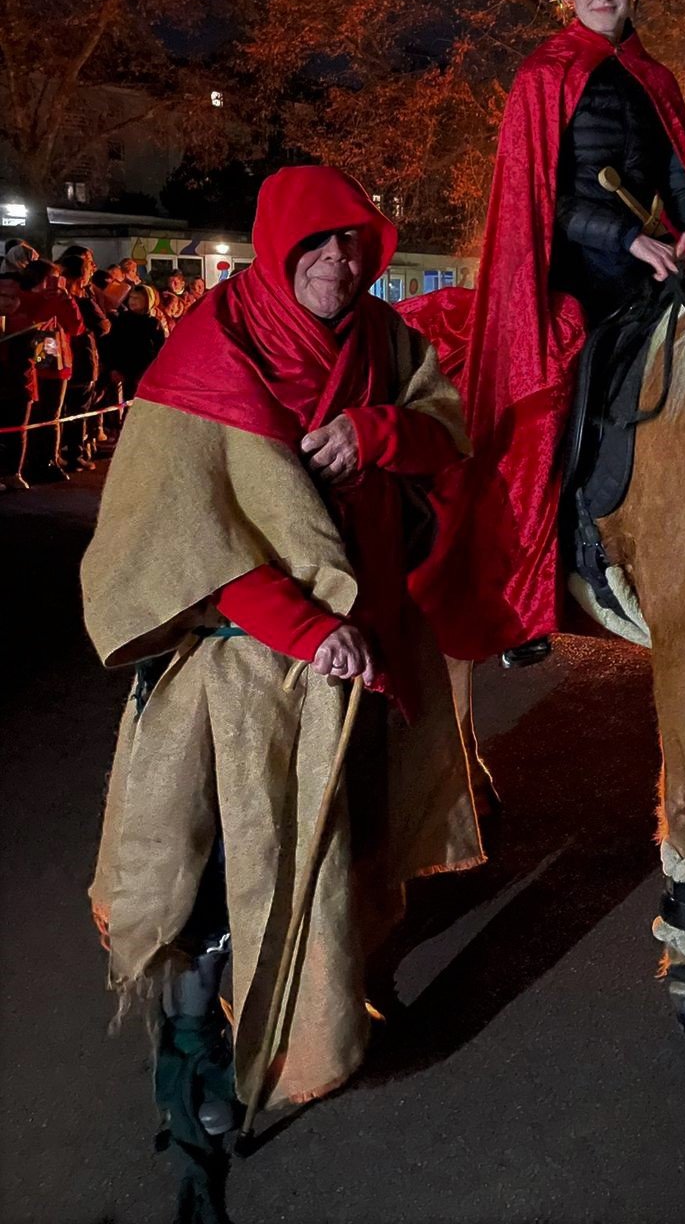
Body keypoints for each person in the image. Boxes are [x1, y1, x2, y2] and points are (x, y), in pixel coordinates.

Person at [83, 167, 482, 1165]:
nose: (338, 262)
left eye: (353, 244)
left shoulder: (386, 340)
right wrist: (302, 626)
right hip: (247, 669)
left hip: (364, 648)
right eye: (318, 243)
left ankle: (326, 1002)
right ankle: (194, 1059)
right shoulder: (208, 349)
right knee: (223, 872)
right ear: (279, 246)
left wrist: (378, 430)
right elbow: (180, 541)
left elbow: (446, 431)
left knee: (342, 844)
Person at [406, 0, 685, 666]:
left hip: (654, 273)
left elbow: (678, 174)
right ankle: (542, 579)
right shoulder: (541, 76)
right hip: (570, 283)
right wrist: (626, 236)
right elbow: (536, 201)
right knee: (550, 409)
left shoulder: (656, 78)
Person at [18, 257, 83, 482]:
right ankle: (32, 461)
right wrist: (46, 299)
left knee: (52, 414)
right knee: (34, 414)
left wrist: (67, 299)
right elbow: (33, 321)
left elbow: (77, 327)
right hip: (33, 359)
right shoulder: (23, 298)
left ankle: (49, 458)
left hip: (57, 361)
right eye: (52, 278)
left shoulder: (61, 298)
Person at [56, 249, 111, 470]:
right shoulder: (81, 301)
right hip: (80, 359)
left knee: (61, 409)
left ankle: (60, 451)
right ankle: (74, 452)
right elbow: (103, 325)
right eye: (89, 269)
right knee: (78, 409)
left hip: (60, 360)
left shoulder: (57, 297)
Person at [0, 274, 39, 491]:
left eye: (13, 297)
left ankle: (13, 472)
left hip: (20, 384)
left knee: (17, 430)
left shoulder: (29, 322)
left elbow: (44, 357)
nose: (8, 302)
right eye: (3, 296)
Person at [104, 283, 165, 398]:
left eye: (137, 298)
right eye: (131, 297)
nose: (132, 301)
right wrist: (113, 368)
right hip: (124, 371)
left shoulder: (153, 323)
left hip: (145, 372)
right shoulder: (122, 319)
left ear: (147, 301)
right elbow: (112, 345)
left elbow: (160, 349)